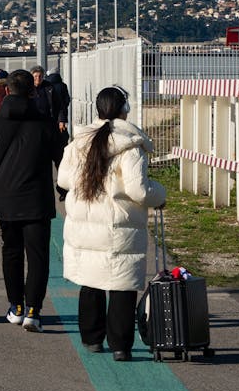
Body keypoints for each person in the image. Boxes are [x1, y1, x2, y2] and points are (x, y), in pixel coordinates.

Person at [57, 84, 166, 361]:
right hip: (119, 226)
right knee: (121, 285)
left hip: (85, 224)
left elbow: (64, 180)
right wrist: (160, 194)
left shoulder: (79, 141)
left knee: (89, 281)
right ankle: (121, 346)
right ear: (124, 109)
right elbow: (138, 190)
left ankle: (92, 339)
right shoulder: (130, 146)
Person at [0, 68, 67, 332]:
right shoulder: (46, 126)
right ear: (32, 93)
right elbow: (64, 163)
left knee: (11, 253)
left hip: (7, 201)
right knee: (39, 257)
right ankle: (34, 310)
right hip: (39, 202)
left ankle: (16, 307)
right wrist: (64, 190)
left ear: (6, 91)